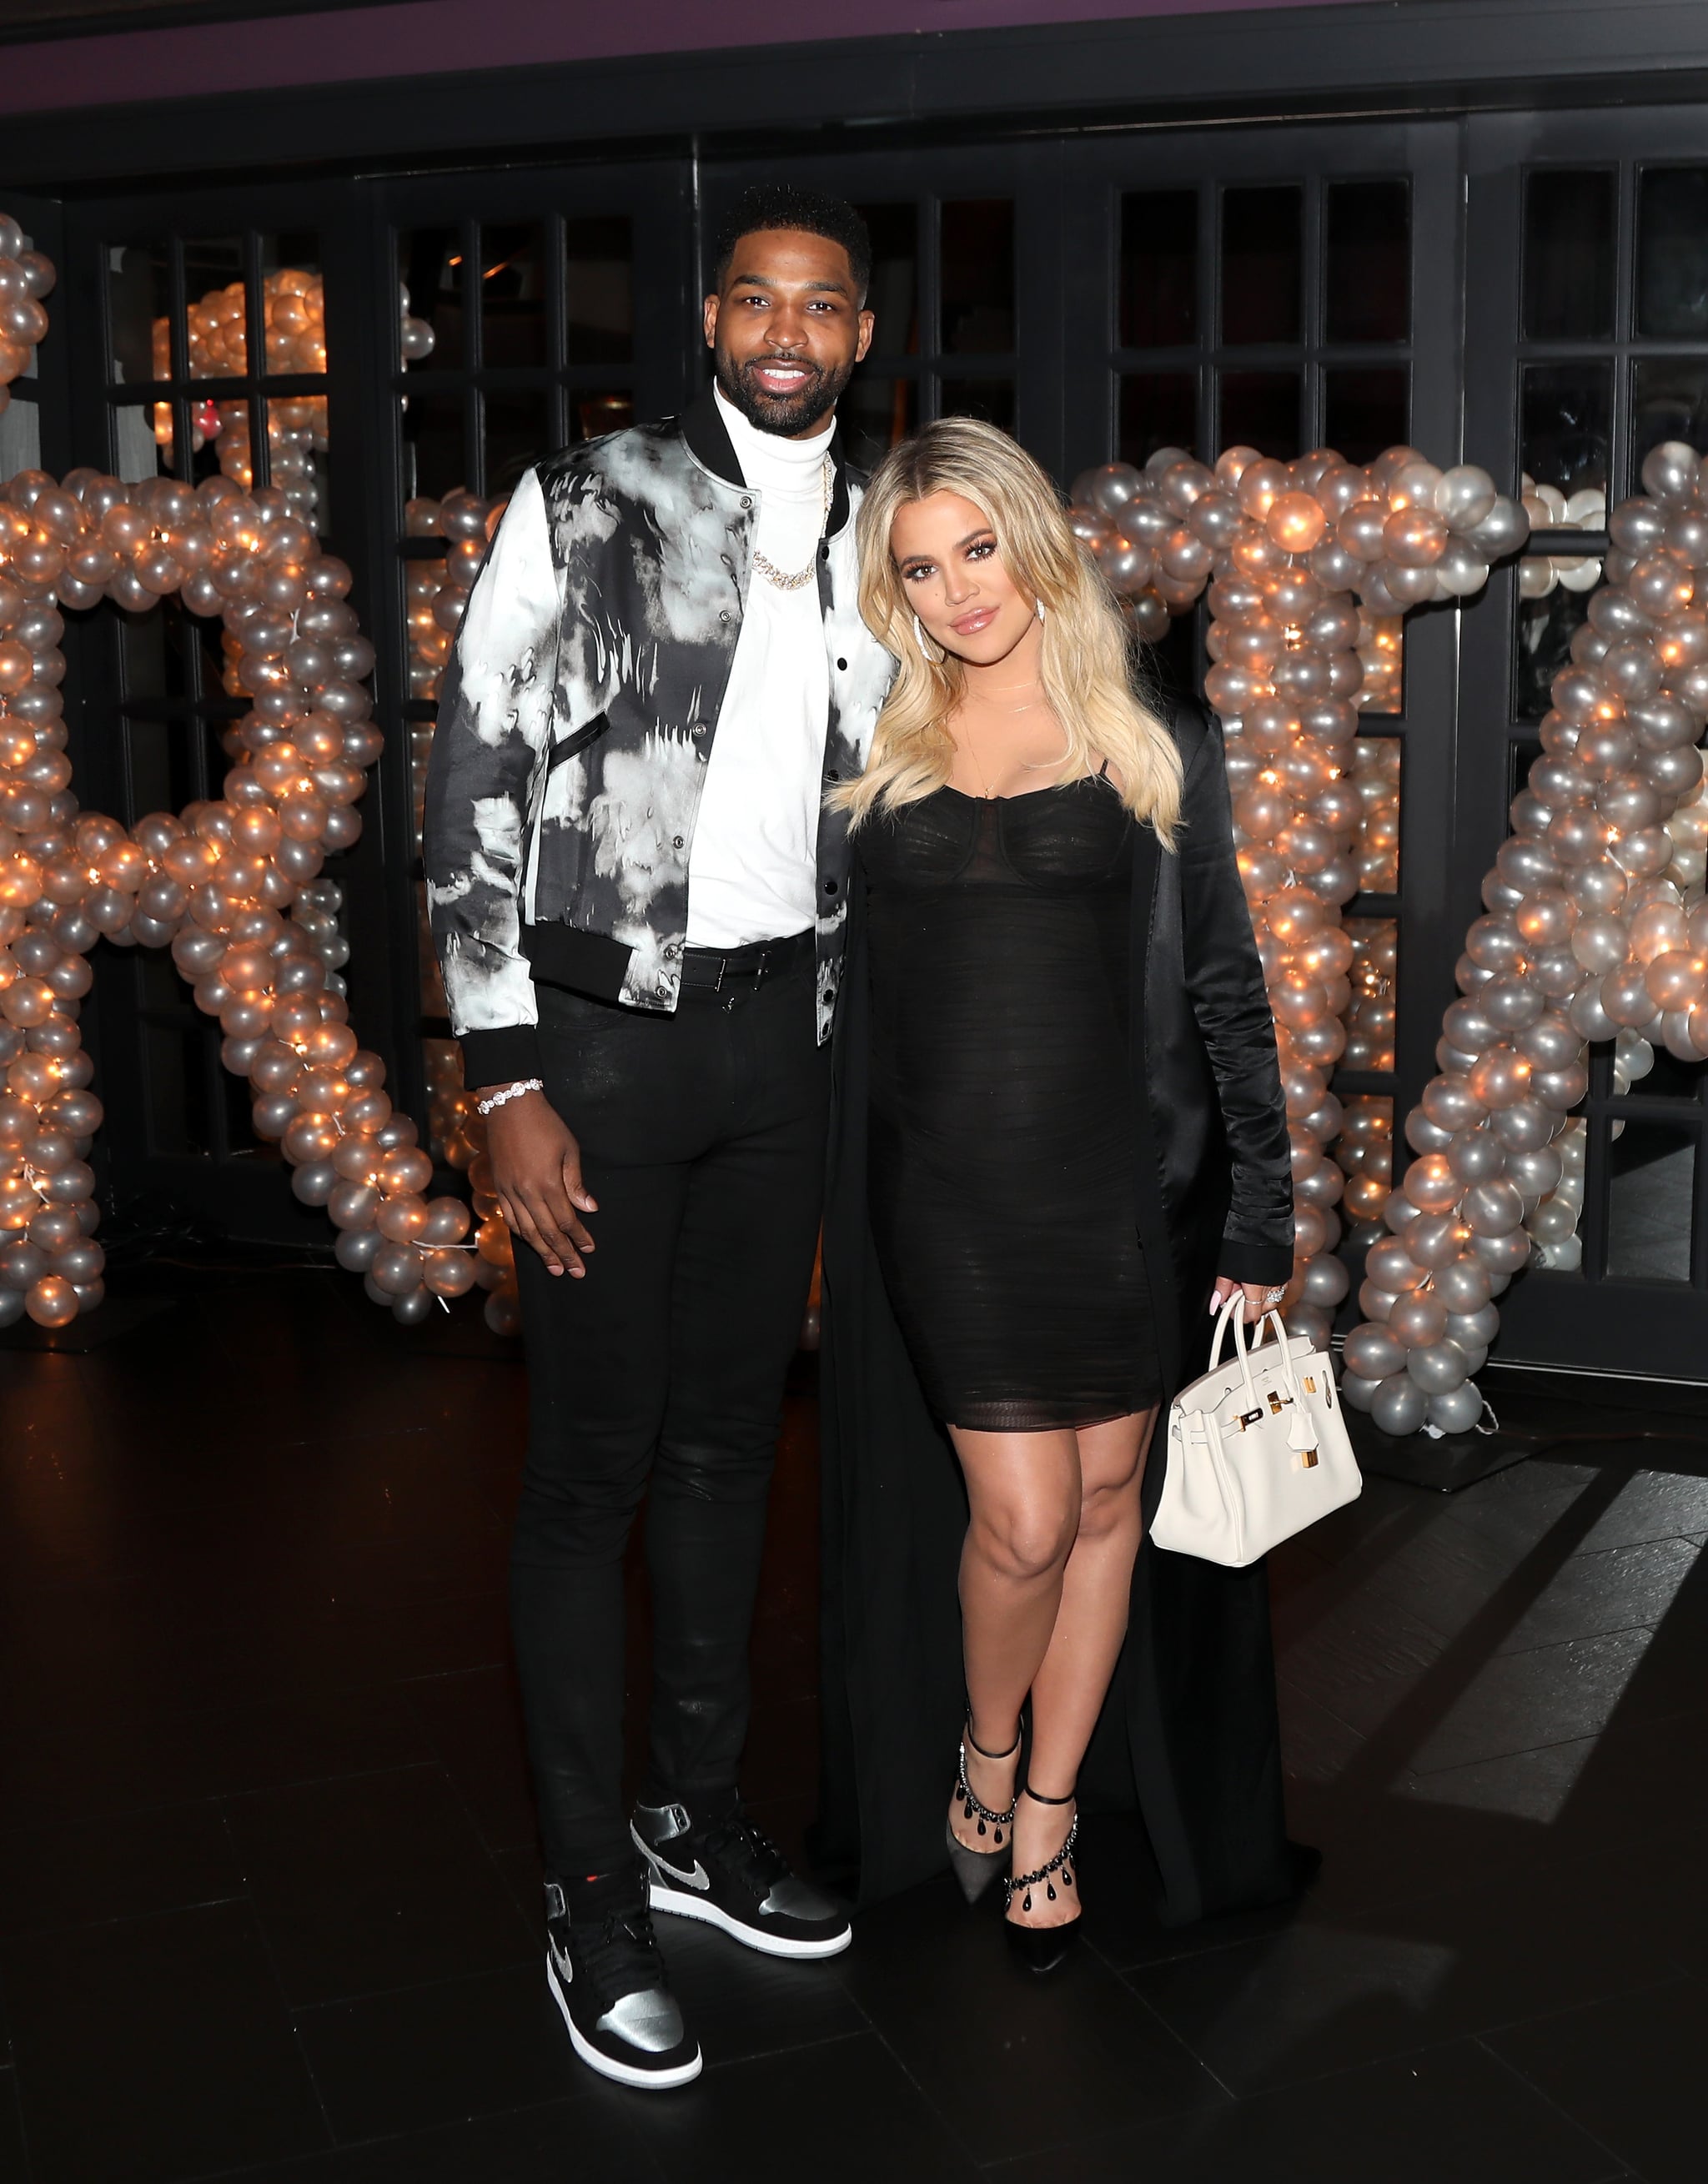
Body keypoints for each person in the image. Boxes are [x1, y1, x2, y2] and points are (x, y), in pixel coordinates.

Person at [422, 185, 895, 2089]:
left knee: (723, 1449)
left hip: (782, 1043)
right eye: (755, 298)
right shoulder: (588, 496)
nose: (786, 329)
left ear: (858, 336)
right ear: (711, 320)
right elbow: (470, 772)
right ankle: (584, 1885)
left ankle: (692, 1817)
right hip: (597, 1054)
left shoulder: (880, 527)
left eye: (824, 304)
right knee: (587, 1472)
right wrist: (504, 1075)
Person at [816, 419, 1298, 1967]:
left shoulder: (1154, 741)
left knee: (1107, 1508)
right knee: (1020, 1521)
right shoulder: (875, 757)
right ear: (893, 595)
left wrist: (1263, 1211)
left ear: (1033, 538)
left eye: (977, 547)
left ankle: (1049, 1810)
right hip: (950, 1196)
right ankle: (982, 1748)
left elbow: (1226, 988)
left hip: (1121, 1193)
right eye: (921, 567)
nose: (960, 590)